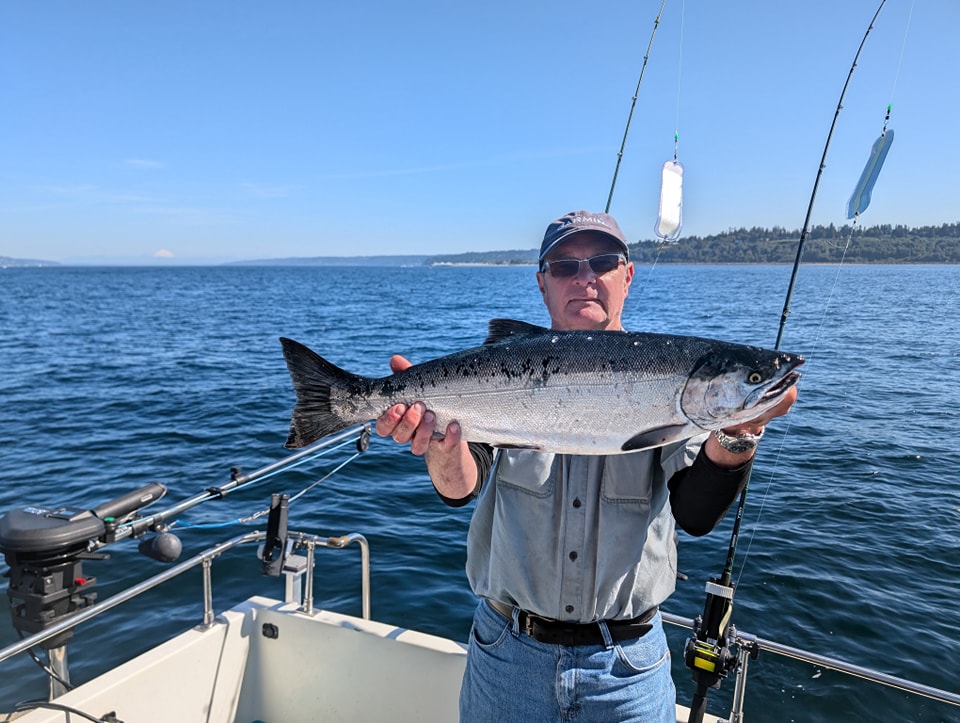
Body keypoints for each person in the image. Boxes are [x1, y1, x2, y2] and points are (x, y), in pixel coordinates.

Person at [375, 210, 798, 722]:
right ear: (542, 284)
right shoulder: (506, 365)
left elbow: (695, 514)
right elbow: (462, 487)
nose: (584, 277)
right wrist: (440, 444)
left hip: (628, 672)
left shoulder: (666, 379)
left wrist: (739, 431)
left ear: (627, 274)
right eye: (563, 266)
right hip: (507, 656)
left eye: (602, 261)